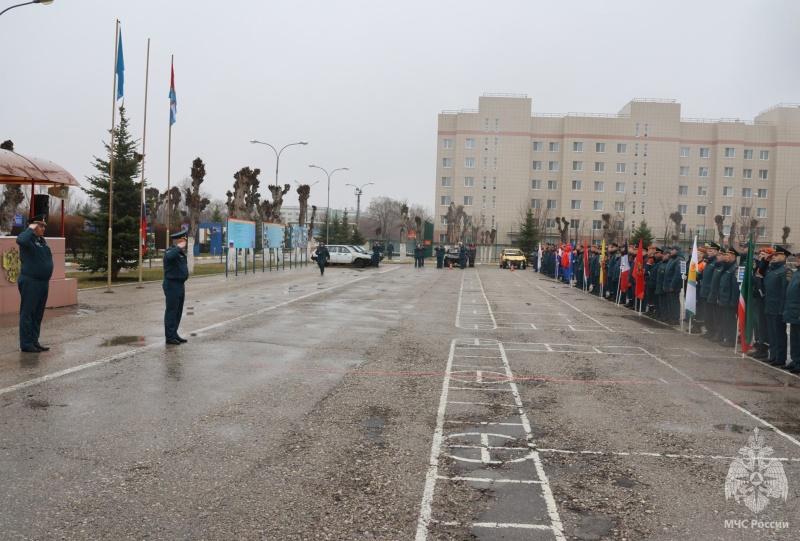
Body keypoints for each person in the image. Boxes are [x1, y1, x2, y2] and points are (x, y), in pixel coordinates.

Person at [16, 214, 53, 353]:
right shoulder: (27, 240)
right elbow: (19, 240)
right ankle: (26, 343)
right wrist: (29, 229)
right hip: (31, 281)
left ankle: (34, 341)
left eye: (44, 226)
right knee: (28, 313)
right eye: (40, 225)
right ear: (33, 226)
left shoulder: (41, 241)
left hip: (43, 282)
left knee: (38, 313)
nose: (43, 228)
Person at [764, 245, 792, 366]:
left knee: (779, 333)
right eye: (773, 255)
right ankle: (773, 354)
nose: (773, 257)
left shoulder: (785, 271)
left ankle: (780, 357)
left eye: (776, 255)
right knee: (772, 332)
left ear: (784, 256)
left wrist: (782, 308)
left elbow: (784, 292)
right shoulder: (771, 270)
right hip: (769, 305)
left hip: (778, 307)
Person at [163, 230, 190, 345]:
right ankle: (169, 336)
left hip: (180, 284)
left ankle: (174, 333)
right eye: (184, 241)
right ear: (179, 242)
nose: (185, 243)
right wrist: (178, 248)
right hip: (172, 284)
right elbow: (169, 257)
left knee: (178, 311)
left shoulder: (179, 253)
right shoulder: (171, 251)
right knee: (172, 311)